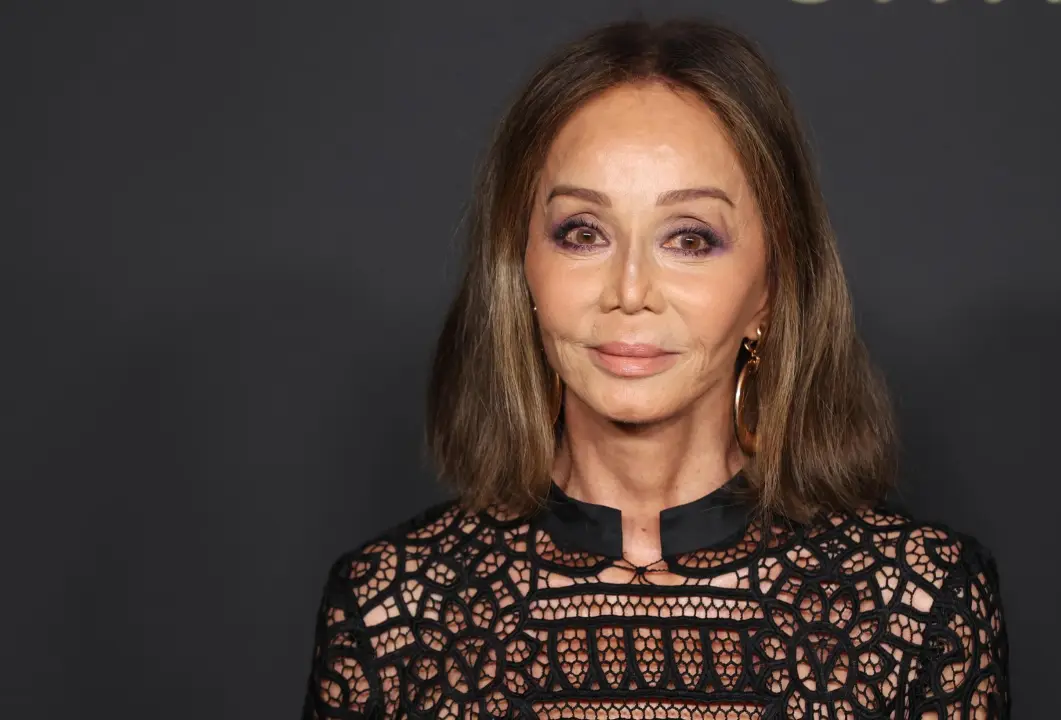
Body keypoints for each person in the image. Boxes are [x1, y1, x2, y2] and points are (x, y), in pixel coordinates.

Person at [300, 17, 1010, 720]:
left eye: (690, 239)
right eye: (583, 233)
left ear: (771, 286)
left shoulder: (919, 607)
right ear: (521, 266)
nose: (630, 291)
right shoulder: (391, 611)